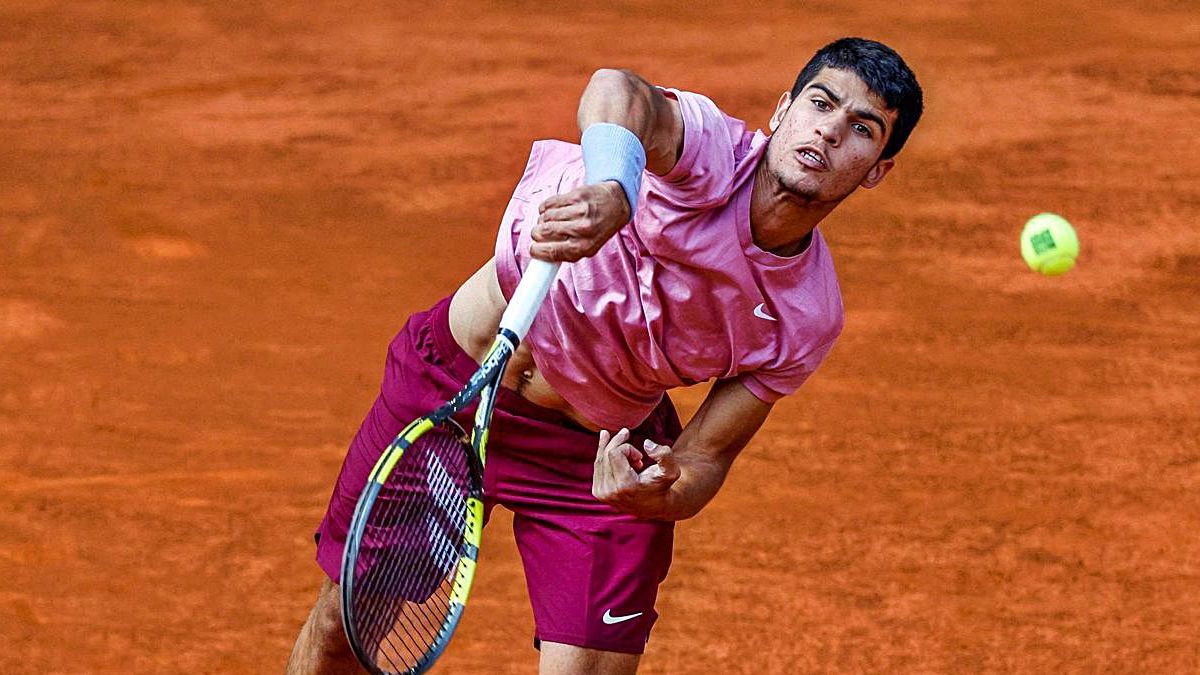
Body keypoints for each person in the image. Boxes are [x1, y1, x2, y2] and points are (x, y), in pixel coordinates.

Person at [286, 36, 923, 675]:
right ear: (783, 111)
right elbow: (617, 89)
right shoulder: (708, 151)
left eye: (862, 128)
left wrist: (658, 493)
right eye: (820, 103)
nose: (830, 131)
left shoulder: (806, 314)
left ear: (877, 169)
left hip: (587, 458)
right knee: (343, 632)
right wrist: (615, 186)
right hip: (448, 392)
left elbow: (705, 458)